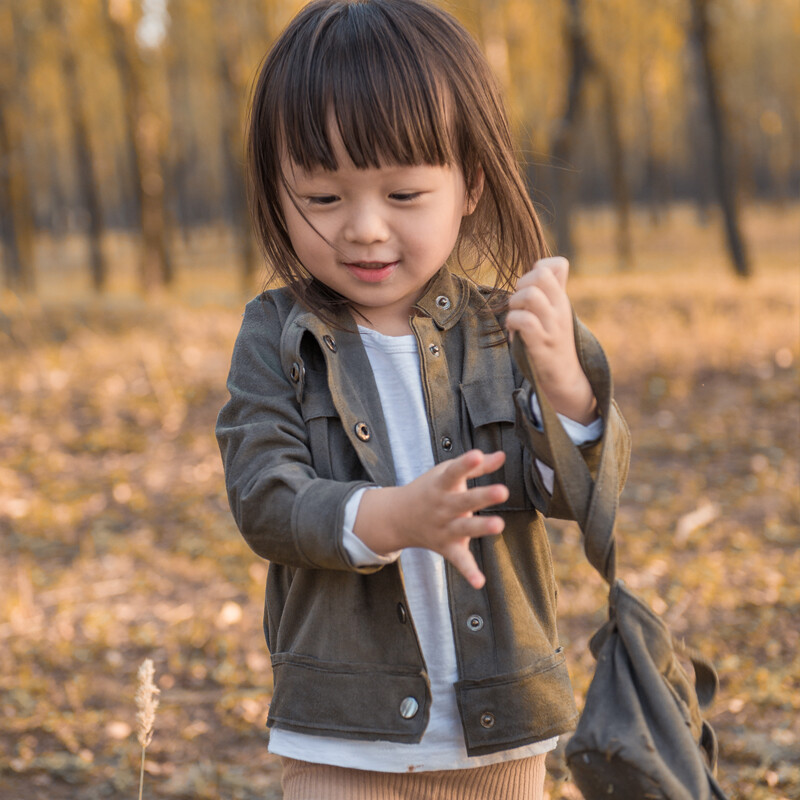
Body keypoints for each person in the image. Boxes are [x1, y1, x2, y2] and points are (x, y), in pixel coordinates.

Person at [216, 1, 630, 798]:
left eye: (403, 195)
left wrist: (566, 385)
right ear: (278, 188)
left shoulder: (501, 329)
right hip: (341, 741)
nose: (364, 230)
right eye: (324, 199)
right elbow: (264, 498)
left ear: (470, 183)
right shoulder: (276, 336)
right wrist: (392, 519)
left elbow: (578, 498)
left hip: (500, 738)